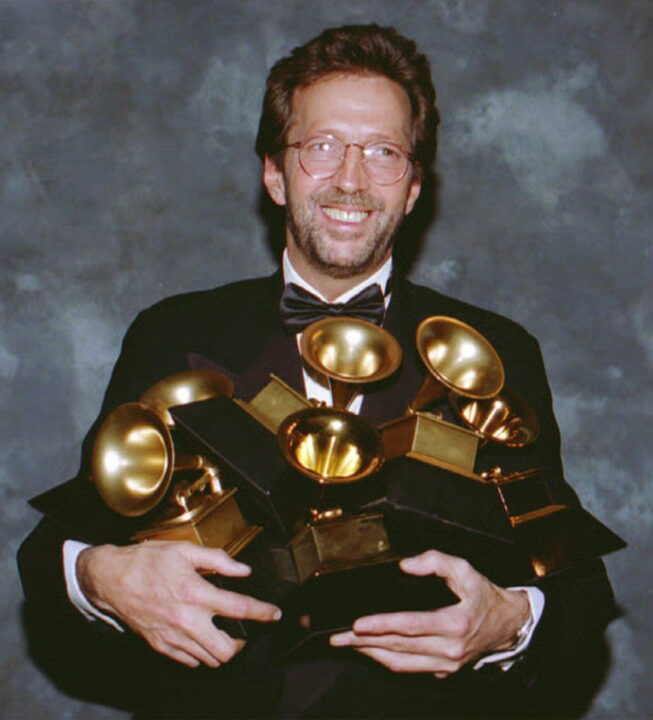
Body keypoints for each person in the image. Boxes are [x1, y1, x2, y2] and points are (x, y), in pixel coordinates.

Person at [18, 24, 615, 719]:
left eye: (383, 152)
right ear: (274, 173)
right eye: (321, 146)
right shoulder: (171, 333)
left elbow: (577, 582)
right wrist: (97, 577)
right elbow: (53, 548)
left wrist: (510, 623)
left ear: (414, 187)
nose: (350, 179)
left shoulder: (500, 348)